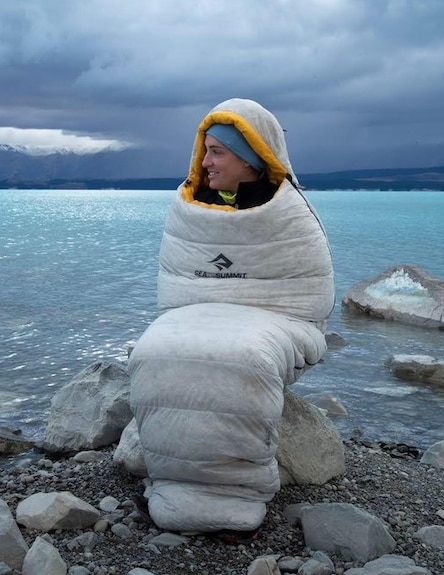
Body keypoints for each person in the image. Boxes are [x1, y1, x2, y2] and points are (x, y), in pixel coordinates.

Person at [128, 98, 336, 533]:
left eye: (217, 151)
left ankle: (235, 493)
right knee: (155, 350)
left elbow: (309, 296)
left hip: (280, 317)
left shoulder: (290, 213)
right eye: (204, 149)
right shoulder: (190, 208)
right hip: (197, 312)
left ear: (251, 157)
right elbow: (177, 284)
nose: (204, 161)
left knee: (244, 357)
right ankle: (175, 479)